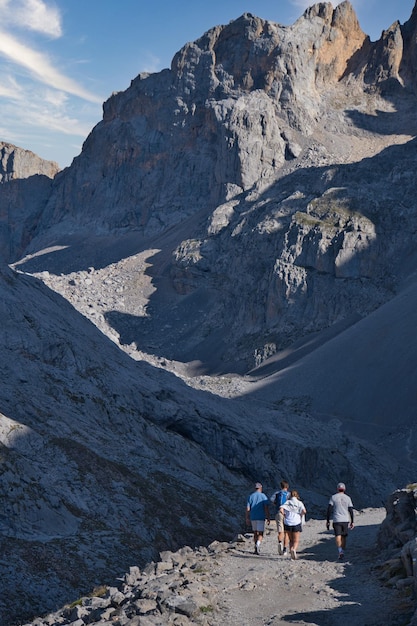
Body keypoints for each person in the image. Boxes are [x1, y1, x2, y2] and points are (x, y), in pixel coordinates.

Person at [326, 482, 354, 560]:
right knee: (344, 536)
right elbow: (351, 510)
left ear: (337, 489)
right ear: (344, 489)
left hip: (336, 519)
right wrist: (352, 521)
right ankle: (343, 550)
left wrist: (328, 520)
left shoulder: (333, 497)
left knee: (337, 536)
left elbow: (329, 509)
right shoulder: (348, 498)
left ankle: (340, 551)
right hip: (345, 519)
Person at [280, 489, 306, 560]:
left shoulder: (288, 502)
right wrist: (300, 515)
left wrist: (284, 514)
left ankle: (291, 553)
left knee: (291, 540)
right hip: (296, 522)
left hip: (288, 522)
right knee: (296, 540)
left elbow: (281, 508)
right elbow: (304, 511)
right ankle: (294, 549)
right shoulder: (299, 503)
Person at [246, 482, 270, 554]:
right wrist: (268, 517)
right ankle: (258, 544)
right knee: (261, 533)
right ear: (260, 488)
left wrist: (247, 518)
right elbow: (266, 508)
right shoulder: (263, 496)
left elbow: (248, 508)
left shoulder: (250, 496)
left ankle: (255, 547)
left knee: (255, 532)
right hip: (261, 517)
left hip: (253, 517)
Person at [270, 480, 290, 555]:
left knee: (280, 530)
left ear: (281, 486)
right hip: (286, 514)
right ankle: (285, 549)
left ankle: (280, 542)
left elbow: (271, 500)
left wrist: (276, 505)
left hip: (278, 513)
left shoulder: (277, 493)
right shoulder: (289, 494)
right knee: (287, 532)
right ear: (287, 487)